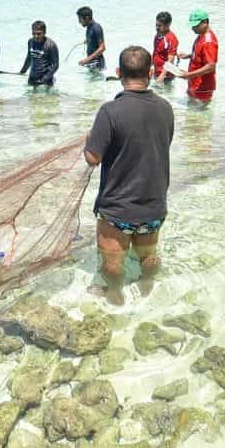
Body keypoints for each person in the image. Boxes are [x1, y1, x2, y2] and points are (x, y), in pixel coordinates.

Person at [84, 46, 175, 306]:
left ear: (117, 73)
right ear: (151, 72)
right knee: (148, 256)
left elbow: (93, 158)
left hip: (118, 211)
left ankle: (114, 293)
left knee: (112, 264)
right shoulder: (166, 108)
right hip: (154, 207)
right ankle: (147, 284)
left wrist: (88, 141)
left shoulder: (110, 111)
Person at [177, 9, 218, 102]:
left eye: (195, 25)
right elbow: (202, 55)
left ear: (205, 22)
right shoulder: (201, 35)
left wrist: (189, 75)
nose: (193, 28)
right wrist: (188, 56)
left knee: (200, 113)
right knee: (192, 110)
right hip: (195, 83)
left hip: (203, 86)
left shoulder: (209, 41)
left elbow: (210, 66)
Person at [19, 20, 60, 87]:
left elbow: (56, 65)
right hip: (32, 77)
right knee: (30, 97)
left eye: (38, 34)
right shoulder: (30, 41)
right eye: (33, 33)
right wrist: (22, 71)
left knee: (48, 97)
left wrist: (45, 79)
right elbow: (29, 58)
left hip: (46, 79)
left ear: (44, 32)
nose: (36, 36)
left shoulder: (51, 45)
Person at [152, 11, 180, 83]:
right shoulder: (157, 36)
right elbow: (155, 52)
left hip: (166, 77)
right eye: (156, 25)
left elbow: (170, 60)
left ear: (168, 25)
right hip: (156, 72)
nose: (157, 28)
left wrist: (162, 75)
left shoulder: (171, 39)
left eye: (160, 26)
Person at [77, 6, 106, 70]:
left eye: (80, 19)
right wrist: (88, 40)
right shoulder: (89, 27)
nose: (79, 22)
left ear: (87, 18)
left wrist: (86, 60)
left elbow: (102, 48)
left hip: (97, 63)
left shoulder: (96, 28)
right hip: (92, 63)